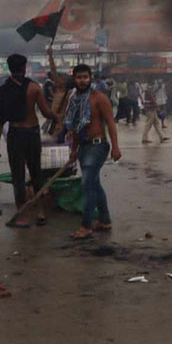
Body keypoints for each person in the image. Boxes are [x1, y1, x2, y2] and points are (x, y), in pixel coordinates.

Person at [0, 54, 57, 228]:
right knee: (36, 173)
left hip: (14, 134)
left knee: (18, 176)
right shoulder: (34, 88)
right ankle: (41, 212)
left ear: (9, 68)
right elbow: (45, 113)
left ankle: (21, 216)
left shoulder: (3, 90)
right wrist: (57, 115)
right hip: (32, 133)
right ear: (25, 67)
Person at [66, 64, 123, 240]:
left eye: (85, 77)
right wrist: (74, 150)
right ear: (74, 79)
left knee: (87, 184)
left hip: (98, 146)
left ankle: (86, 225)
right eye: (79, 77)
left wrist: (115, 147)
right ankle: (105, 221)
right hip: (83, 146)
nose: (82, 81)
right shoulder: (74, 99)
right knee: (94, 184)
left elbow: (111, 124)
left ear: (90, 78)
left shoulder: (99, 98)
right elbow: (76, 128)